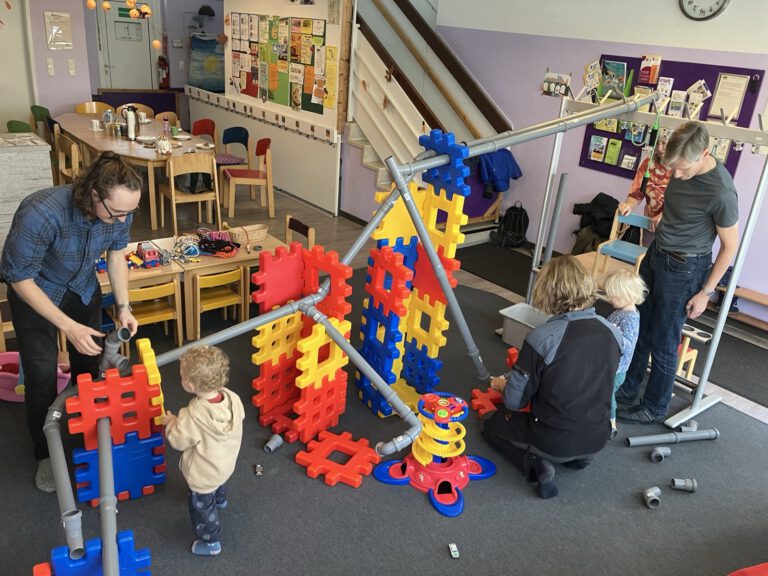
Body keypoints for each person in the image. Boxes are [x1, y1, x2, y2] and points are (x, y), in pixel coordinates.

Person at [0, 151, 141, 493]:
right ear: (94, 194)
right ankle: (45, 453)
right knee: (41, 372)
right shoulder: (41, 213)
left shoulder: (119, 212)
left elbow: (116, 254)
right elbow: (19, 278)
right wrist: (67, 326)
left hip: (81, 287)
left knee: (87, 362)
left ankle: (85, 428)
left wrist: (123, 306)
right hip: (36, 290)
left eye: (130, 213)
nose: (124, 221)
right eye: (118, 213)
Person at [617, 121, 739, 424]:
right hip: (657, 254)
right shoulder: (677, 164)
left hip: (686, 268)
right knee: (639, 326)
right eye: (675, 169)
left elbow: (729, 247)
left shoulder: (722, 192)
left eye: (683, 170)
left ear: (704, 154)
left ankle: (654, 407)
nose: (678, 175)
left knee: (663, 339)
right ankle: (627, 390)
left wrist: (706, 292)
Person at [482, 256, 622, 499]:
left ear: (548, 292)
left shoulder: (542, 337)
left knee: (490, 423)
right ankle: (579, 457)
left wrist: (500, 384)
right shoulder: (612, 332)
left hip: (552, 440)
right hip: (598, 436)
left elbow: (513, 402)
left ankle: (535, 463)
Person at [162, 345, 245, 557]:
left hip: (204, 475)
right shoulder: (232, 398)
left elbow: (178, 441)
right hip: (225, 462)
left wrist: (172, 422)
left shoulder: (193, 415)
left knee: (202, 509)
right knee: (219, 483)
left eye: (181, 375)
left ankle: (210, 542)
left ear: (189, 384)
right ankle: (221, 499)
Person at [604, 269, 646, 439]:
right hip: (612, 366)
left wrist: (614, 332)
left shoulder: (630, 317)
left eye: (614, 296)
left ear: (627, 295)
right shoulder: (622, 311)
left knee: (607, 396)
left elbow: (627, 344)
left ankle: (610, 424)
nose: (610, 299)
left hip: (617, 370)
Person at [617, 137, 672, 246]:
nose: (659, 149)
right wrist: (628, 205)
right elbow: (637, 193)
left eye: (664, 143)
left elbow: (685, 202)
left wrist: (664, 215)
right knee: (646, 257)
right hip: (650, 224)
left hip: (673, 229)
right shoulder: (648, 163)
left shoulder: (681, 167)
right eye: (657, 143)